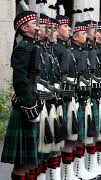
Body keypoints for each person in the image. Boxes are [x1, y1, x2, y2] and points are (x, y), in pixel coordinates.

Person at [1, 10, 44, 180]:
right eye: (34, 23)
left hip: (35, 103)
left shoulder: (34, 46)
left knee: (31, 161)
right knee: (23, 162)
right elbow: (20, 80)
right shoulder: (23, 48)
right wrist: (30, 106)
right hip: (26, 107)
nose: (38, 25)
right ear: (25, 28)